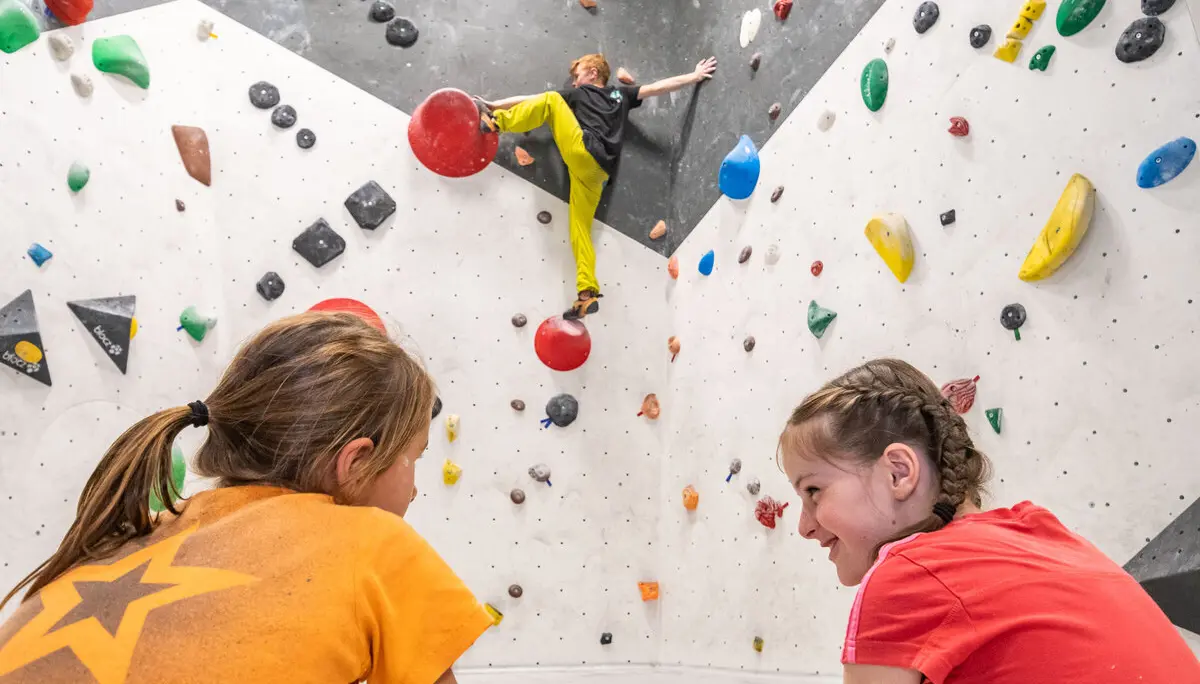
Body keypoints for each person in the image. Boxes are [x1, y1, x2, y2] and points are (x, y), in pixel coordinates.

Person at [0, 312, 492, 684]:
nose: (416, 487)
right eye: (415, 459)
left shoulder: (134, 530)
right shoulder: (373, 543)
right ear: (356, 462)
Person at [777, 358, 1200, 684]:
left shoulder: (908, 574)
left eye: (813, 491)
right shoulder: (1040, 533)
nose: (804, 526)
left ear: (898, 473)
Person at [477, 53, 718, 320]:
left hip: (584, 153)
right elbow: (657, 87)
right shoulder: (621, 96)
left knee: (551, 100)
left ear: (593, 72)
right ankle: (587, 293)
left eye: (577, 74)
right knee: (580, 228)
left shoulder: (580, 95)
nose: (574, 80)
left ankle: (497, 124)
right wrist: (694, 77)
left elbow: (537, 101)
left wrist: (495, 109)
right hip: (598, 174)